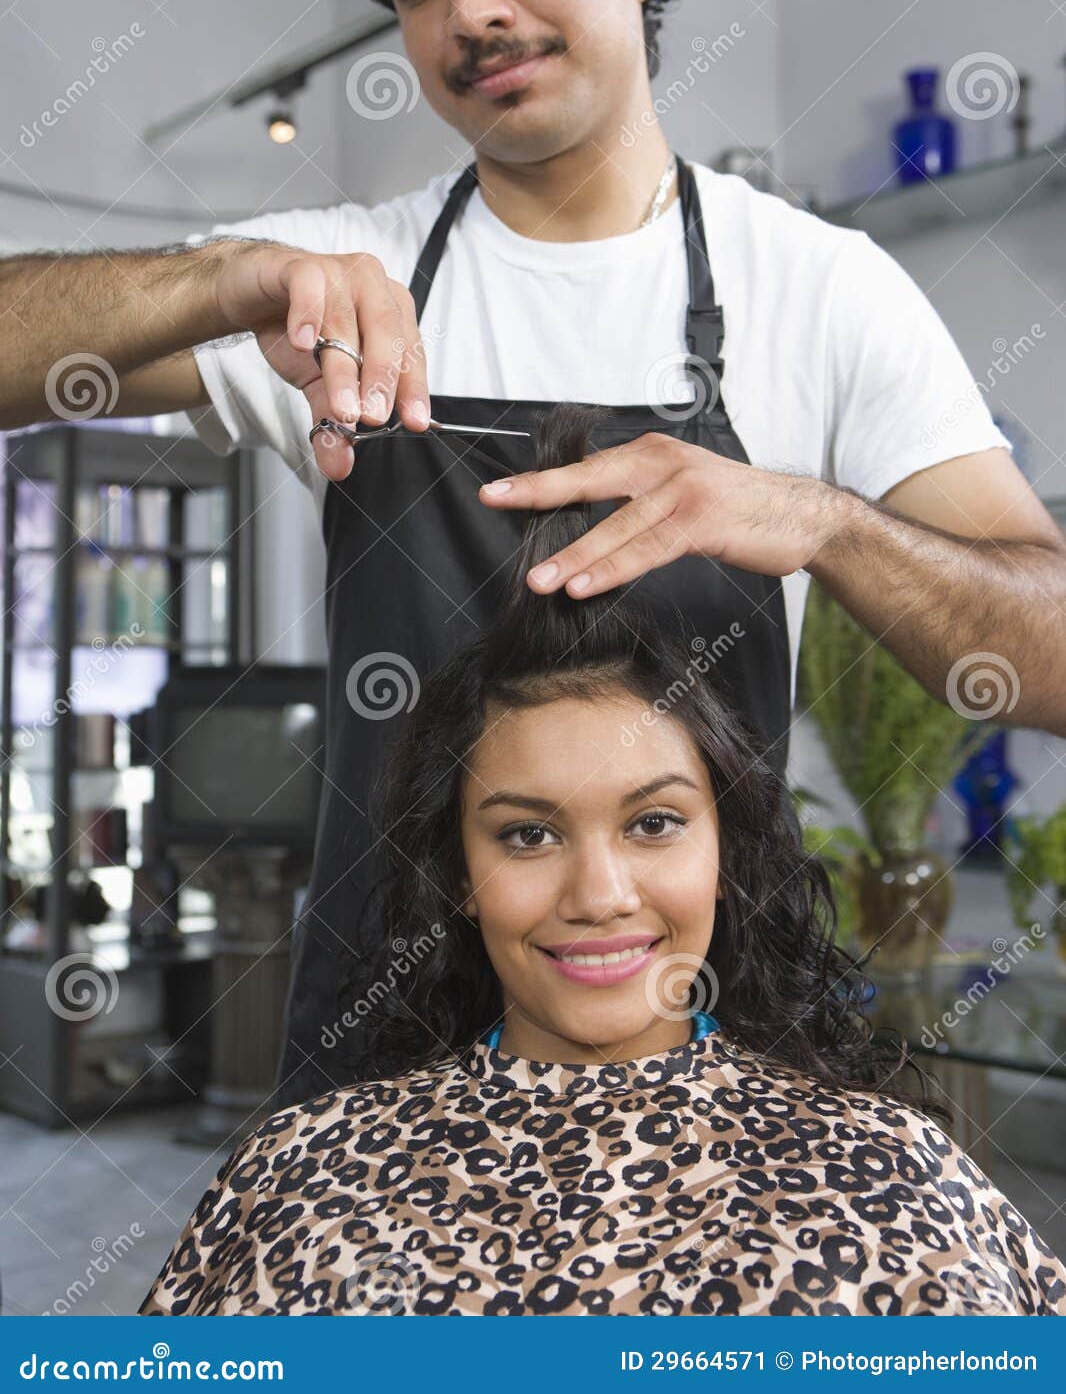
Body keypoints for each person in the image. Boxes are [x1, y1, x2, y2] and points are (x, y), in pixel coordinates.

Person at [3, 0, 1065, 1117]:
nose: (474, 10)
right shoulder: (334, 283)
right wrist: (217, 277)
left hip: (705, 1067)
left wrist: (816, 520)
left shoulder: (817, 285)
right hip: (380, 1074)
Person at [138, 406, 1066, 1318]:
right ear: (457, 873)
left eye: (654, 824)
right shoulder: (303, 1176)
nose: (599, 895)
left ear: (724, 849)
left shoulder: (891, 1174)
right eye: (527, 834)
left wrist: (823, 518)